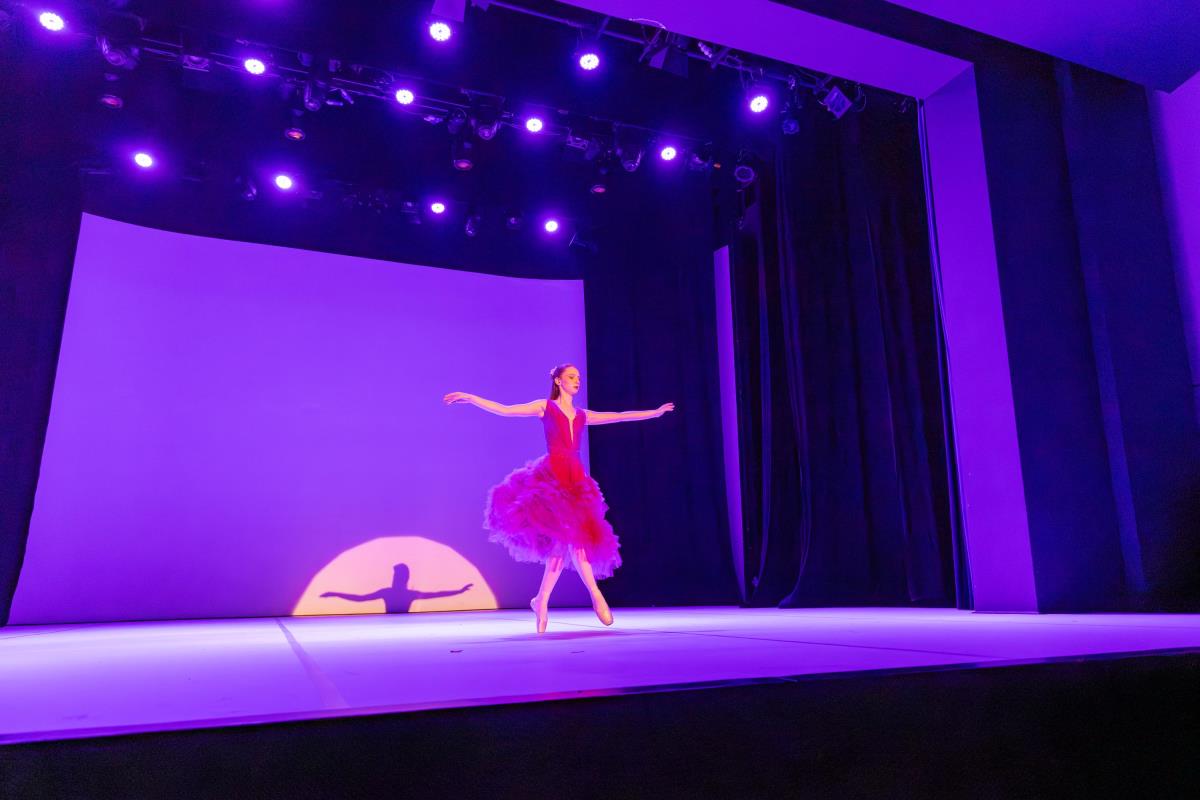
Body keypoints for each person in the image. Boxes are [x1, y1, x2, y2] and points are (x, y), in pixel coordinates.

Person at [443, 364, 673, 633]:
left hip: (576, 482)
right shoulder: (545, 407)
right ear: (558, 381)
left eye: (579, 377)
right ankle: (588, 596)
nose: (577, 381)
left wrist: (654, 412)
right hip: (552, 480)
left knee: (570, 543)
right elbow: (506, 410)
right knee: (568, 542)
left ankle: (544, 600)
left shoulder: (582, 415)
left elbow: (620, 416)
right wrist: (471, 398)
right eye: (572, 377)